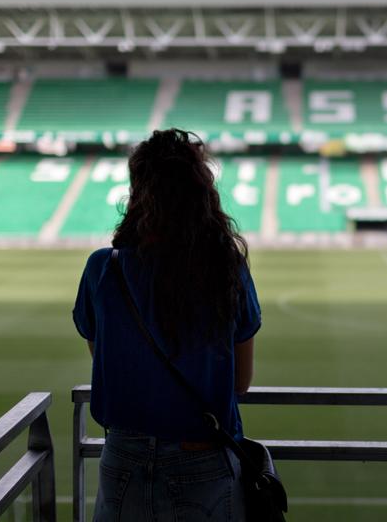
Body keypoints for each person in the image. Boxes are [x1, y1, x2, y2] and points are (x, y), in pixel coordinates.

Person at [72, 128, 260, 521]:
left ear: (137, 192)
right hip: (202, 459)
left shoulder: (102, 269)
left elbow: (102, 356)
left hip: (122, 457)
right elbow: (240, 381)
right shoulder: (226, 268)